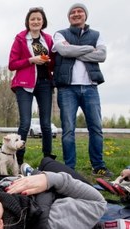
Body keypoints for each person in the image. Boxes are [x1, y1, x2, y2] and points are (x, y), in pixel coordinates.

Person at [52, 3, 113, 177]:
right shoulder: (60, 34)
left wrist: (73, 51)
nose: (76, 14)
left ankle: (98, 165)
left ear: (85, 15)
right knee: (68, 129)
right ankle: (69, 167)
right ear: (68, 16)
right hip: (67, 89)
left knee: (96, 128)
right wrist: (88, 49)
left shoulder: (97, 35)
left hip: (90, 88)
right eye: (73, 12)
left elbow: (101, 55)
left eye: (80, 11)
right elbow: (63, 50)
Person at [8, 7, 56, 167]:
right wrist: (31, 60)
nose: (35, 22)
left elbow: (54, 61)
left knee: (46, 124)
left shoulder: (48, 39)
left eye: (38, 19)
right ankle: (18, 159)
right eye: (32, 19)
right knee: (25, 123)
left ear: (43, 22)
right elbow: (12, 64)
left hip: (44, 83)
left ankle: (48, 159)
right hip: (24, 85)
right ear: (28, 22)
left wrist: (50, 62)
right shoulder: (20, 38)